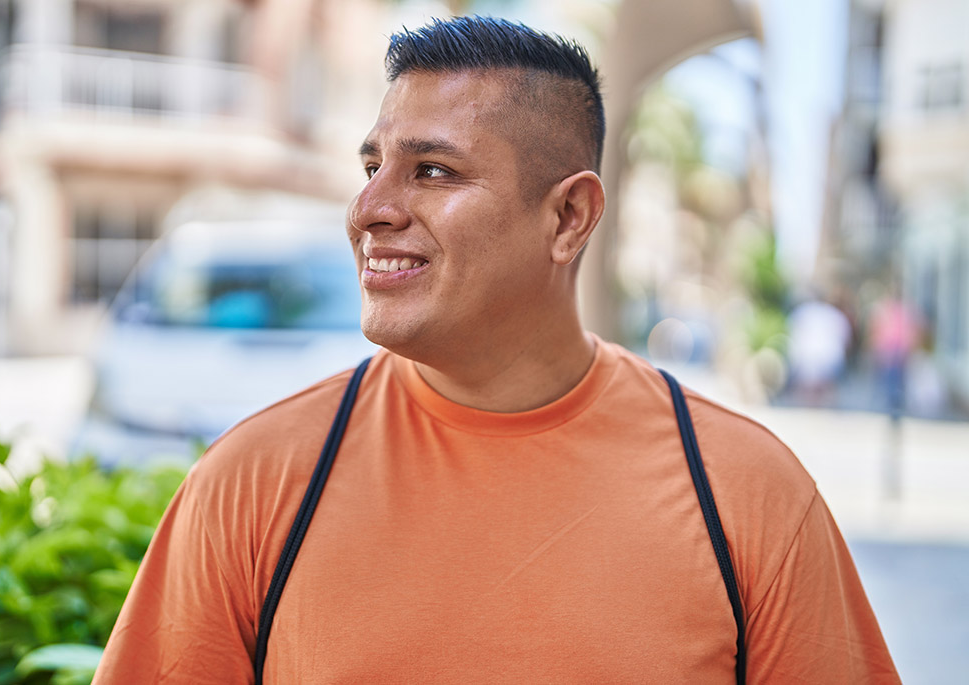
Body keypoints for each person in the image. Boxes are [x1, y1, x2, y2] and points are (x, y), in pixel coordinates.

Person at [94, 16, 898, 683]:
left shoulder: (746, 494)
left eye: (432, 171)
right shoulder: (251, 482)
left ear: (569, 218)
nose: (370, 207)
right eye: (373, 165)